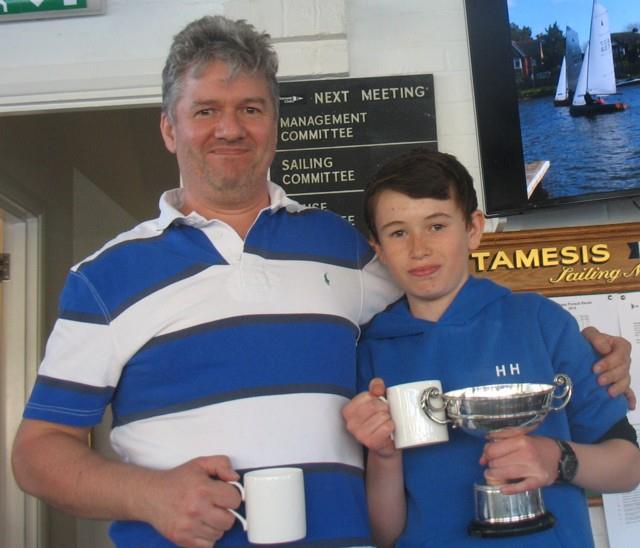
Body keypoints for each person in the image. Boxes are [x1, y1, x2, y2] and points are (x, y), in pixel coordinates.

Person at [10, 15, 633, 548]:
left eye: (250, 108)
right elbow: (38, 455)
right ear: (170, 128)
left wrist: (585, 345)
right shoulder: (101, 279)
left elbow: (451, 301)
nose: (230, 129)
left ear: (274, 125)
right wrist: (148, 495)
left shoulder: (342, 247)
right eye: (206, 110)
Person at [342, 148, 640, 547]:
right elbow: (385, 534)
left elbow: (627, 466)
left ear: (473, 230)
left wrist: (555, 458)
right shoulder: (370, 352)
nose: (419, 249)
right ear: (377, 247)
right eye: (398, 232)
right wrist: (383, 455)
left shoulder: (541, 323)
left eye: (436, 226)